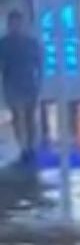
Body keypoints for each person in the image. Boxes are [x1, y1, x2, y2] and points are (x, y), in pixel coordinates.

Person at [0, 11, 42, 163]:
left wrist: (39, 81)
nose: (16, 26)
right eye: (13, 23)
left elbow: (39, 63)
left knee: (30, 117)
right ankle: (23, 147)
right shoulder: (4, 44)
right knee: (18, 117)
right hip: (12, 85)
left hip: (29, 84)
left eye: (18, 23)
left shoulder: (31, 43)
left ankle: (29, 147)